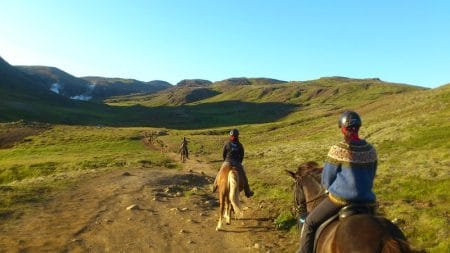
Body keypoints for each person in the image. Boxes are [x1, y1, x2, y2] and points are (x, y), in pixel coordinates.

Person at [297, 111, 378, 253]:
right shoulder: (371, 150)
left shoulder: (338, 150)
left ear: (342, 128)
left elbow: (326, 180)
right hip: (367, 202)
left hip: (340, 200)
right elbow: (371, 175)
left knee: (309, 223)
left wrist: (331, 188)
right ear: (359, 127)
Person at [212, 129, 254, 198]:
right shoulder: (240, 145)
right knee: (243, 176)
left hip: (227, 161)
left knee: (220, 172)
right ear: (238, 136)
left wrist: (225, 161)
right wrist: (239, 163)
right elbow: (242, 156)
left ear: (230, 136)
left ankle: (214, 186)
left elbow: (224, 154)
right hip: (237, 162)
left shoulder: (227, 143)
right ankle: (247, 192)